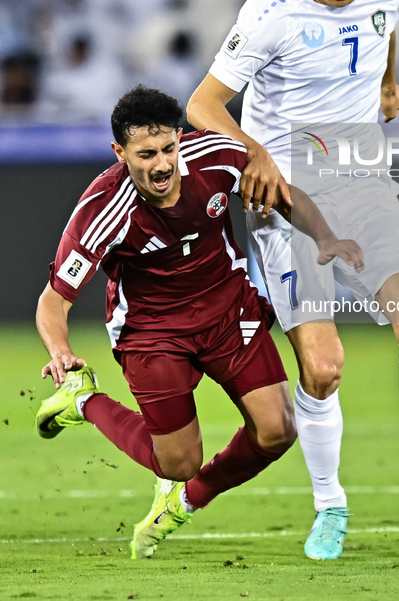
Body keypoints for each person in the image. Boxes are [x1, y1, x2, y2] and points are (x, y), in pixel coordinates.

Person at [187, 0, 399, 560]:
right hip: (286, 200)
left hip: (360, 179)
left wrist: (388, 86)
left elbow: (384, 27)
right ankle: (329, 505)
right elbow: (203, 104)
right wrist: (258, 152)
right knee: (324, 368)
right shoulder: (269, 13)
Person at [35, 85, 363, 560]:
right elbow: (53, 302)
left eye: (169, 148)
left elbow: (284, 196)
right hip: (153, 333)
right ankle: (82, 399)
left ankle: (185, 502)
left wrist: (327, 238)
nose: (162, 164)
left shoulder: (218, 157)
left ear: (181, 139)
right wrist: (60, 352)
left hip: (229, 312)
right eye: (146, 154)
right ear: (119, 152)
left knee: (277, 430)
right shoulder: (101, 210)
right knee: (179, 461)